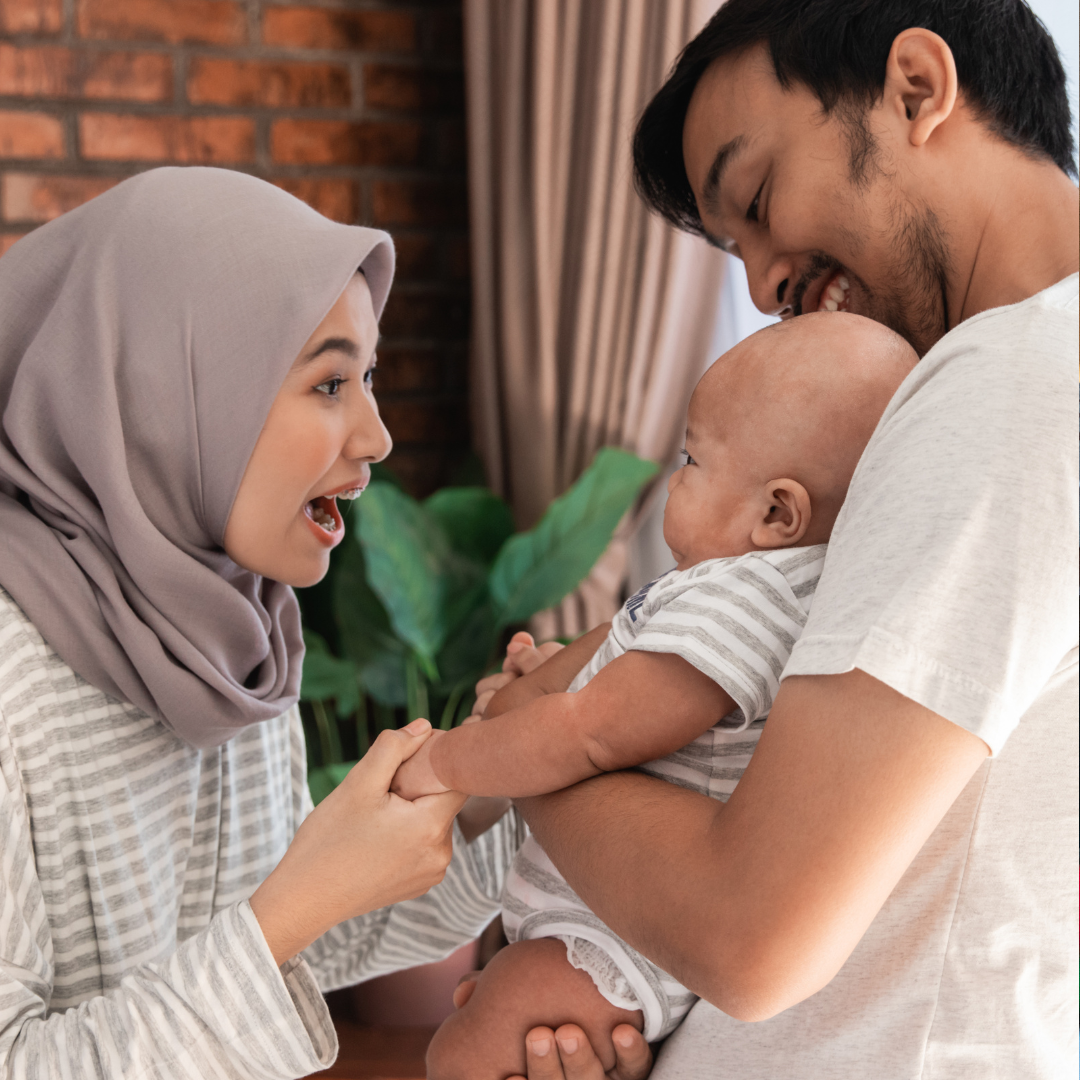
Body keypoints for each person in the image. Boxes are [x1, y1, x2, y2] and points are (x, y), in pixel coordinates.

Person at [439, 0, 1077, 1076]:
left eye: (759, 197)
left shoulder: (1009, 382)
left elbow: (752, 935)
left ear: (917, 88)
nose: (763, 283)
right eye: (731, 246)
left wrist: (534, 730)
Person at [0, 166, 531, 1078]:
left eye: (369, 378)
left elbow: (296, 949)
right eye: (330, 384)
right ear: (166, 390)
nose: (375, 436)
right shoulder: (12, 675)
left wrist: (497, 785)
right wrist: (290, 907)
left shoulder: (238, 641)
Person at [389, 314, 918, 1078]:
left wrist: (448, 761)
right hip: (604, 912)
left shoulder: (742, 598)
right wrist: (535, 685)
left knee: (459, 1056)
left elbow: (590, 733)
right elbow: (598, 677)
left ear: (777, 513)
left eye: (691, 459)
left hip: (612, 936)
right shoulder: (738, 591)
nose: (674, 480)